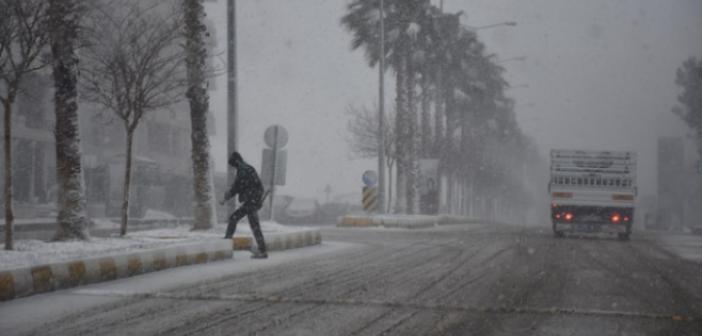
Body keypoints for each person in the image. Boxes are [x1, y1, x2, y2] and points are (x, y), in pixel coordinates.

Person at [220, 151, 268, 259]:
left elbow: (237, 187)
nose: (233, 167)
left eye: (233, 165)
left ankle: (262, 250)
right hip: (251, 201)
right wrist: (258, 200)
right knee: (248, 224)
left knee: (239, 220)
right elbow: (259, 186)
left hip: (250, 202)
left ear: (236, 161)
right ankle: (262, 249)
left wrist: (226, 197)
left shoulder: (243, 170)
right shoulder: (249, 168)